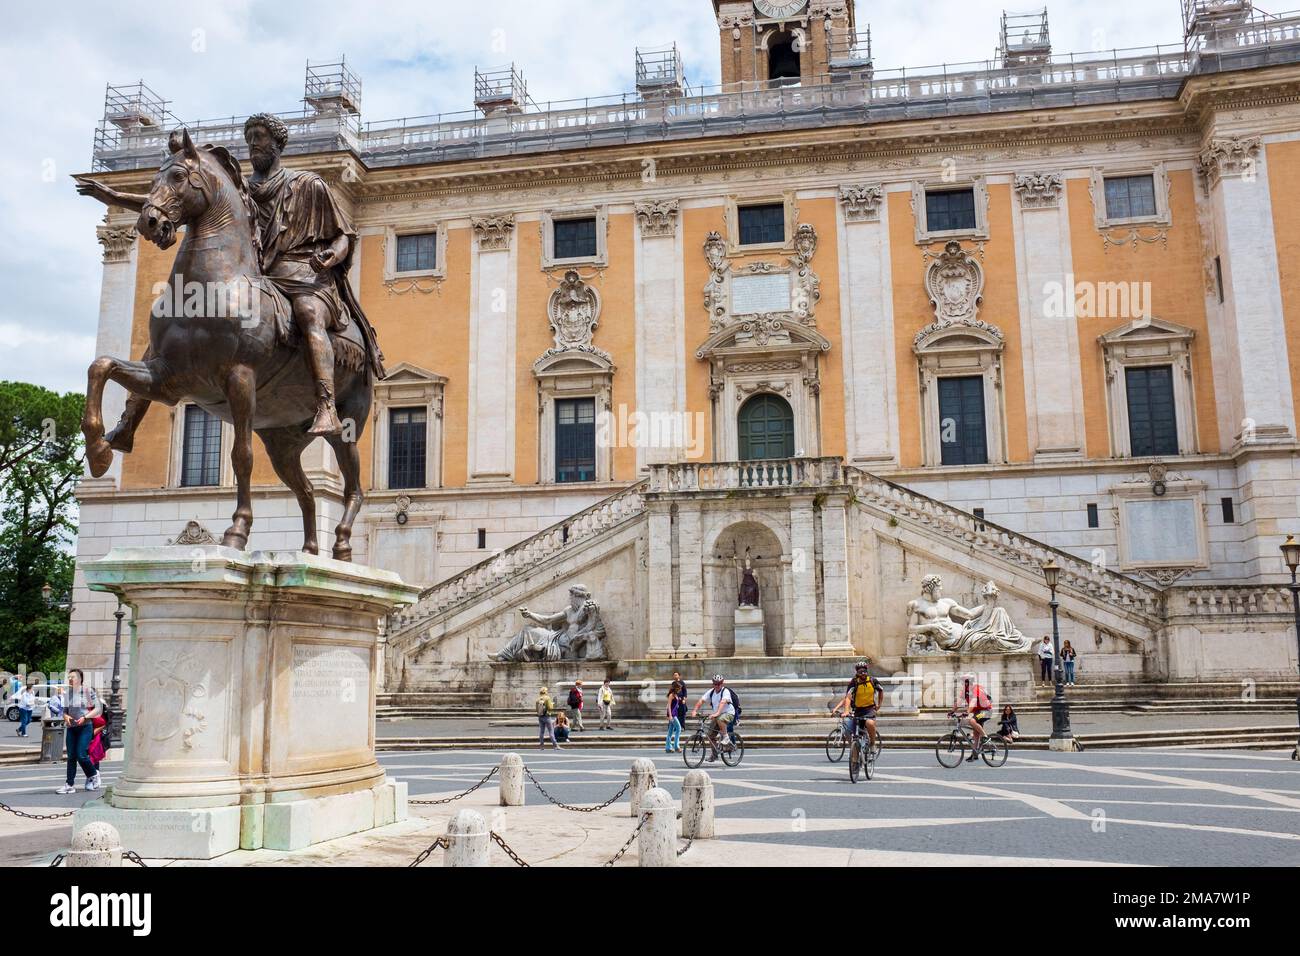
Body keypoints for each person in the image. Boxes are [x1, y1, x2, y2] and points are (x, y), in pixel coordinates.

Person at [56, 670, 102, 794]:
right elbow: (64, 711)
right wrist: (66, 717)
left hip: (85, 727)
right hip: (71, 728)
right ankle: (69, 784)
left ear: (80, 678)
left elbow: (98, 709)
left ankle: (93, 774)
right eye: (69, 677)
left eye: (73, 677)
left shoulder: (87, 691)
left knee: (81, 754)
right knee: (71, 756)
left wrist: (85, 717)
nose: (70, 679)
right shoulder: (67, 693)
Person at [834, 660, 882, 752]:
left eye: (864, 671)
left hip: (869, 710)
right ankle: (853, 751)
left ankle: (872, 743)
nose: (863, 673)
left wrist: (879, 704)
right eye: (860, 672)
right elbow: (847, 697)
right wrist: (846, 711)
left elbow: (881, 691)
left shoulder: (873, 680)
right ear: (857, 672)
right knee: (847, 730)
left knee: (870, 723)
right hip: (858, 711)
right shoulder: (854, 682)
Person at [690, 675, 736, 762]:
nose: (717, 685)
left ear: (722, 683)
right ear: (713, 684)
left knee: (720, 718)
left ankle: (726, 737)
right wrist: (694, 711)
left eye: (719, 684)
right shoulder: (711, 692)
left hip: (729, 713)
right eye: (715, 684)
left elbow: (723, 702)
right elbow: (701, 701)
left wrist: (717, 713)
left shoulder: (725, 691)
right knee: (710, 735)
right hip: (717, 715)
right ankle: (714, 755)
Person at [952, 674, 992, 763]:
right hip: (978, 712)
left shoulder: (976, 689)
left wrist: (968, 712)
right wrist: (952, 711)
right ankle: (975, 754)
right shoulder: (965, 691)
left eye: (963, 682)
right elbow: (959, 702)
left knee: (972, 721)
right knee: (975, 734)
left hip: (986, 710)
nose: (962, 683)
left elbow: (973, 701)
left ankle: (985, 737)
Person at [665, 681, 683, 753]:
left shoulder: (676, 695)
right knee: (679, 728)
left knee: (670, 731)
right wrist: (670, 716)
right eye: (679, 688)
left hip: (674, 714)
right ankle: (676, 746)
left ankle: (668, 747)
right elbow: (668, 706)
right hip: (672, 714)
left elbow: (674, 704)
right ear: (676, 688)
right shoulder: (671, 695)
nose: (680, 689)